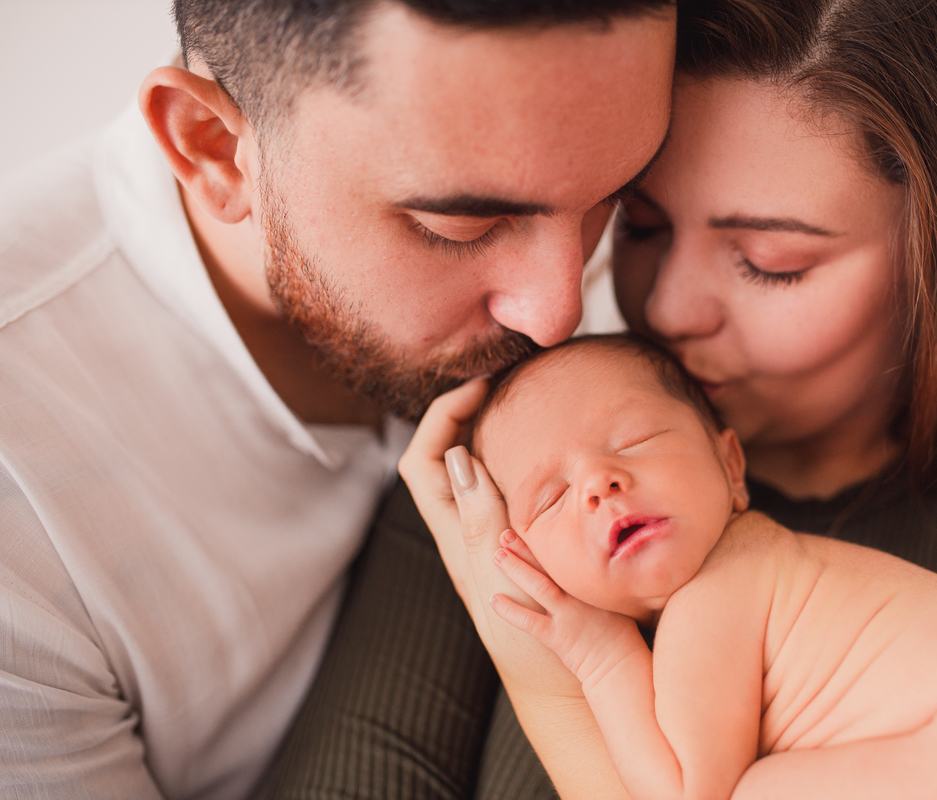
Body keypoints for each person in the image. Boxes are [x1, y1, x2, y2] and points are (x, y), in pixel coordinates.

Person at [269, 0, 937, 798]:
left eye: (770, 262)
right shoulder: (492, 497)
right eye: (637, 223)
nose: (665, 307)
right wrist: (517, 617)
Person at [0, 0, 675, 797]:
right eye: (460, 229)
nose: (559, 313)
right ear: (215, 150)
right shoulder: (24, 502)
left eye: (618, 201)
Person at [475, 334, 937, 800]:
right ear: (522, 557)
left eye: (635, 440)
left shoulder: (720, 589)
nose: (598, 482)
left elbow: (683, 793)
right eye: (552, 498)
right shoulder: (766, 568)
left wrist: (600, 654)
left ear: (731, 467)